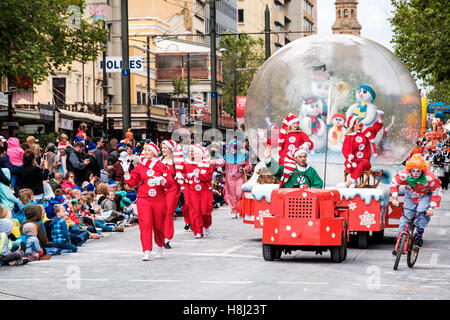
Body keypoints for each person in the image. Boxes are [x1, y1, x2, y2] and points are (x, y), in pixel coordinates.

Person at [124, 142, 173, 261]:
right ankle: (146, 251)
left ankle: (160, 246)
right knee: (145, 224)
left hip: (159, 199)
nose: (145, 152)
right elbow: (132, 183)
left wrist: (161, 180)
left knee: (158, 225)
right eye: (145, 150)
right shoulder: (140, 166)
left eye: (148, 150)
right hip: (144, 198)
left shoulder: (162, 166)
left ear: (155, 153)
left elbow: (169, 183)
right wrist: (126, 172)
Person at [390, 154, 443, 248]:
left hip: (425, 195)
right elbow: (394, 183)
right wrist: (395, 198)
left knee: (421, 212)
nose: (415, 173)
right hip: (410, 194)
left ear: (422, 170)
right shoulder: (404, 174)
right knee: (406, 216)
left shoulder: (430, 177)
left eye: (417, 171)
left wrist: (431, 208)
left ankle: (419, 235)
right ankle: (401, 238)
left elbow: (437, 192)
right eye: (413, 171)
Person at [339, 112, 384, 188]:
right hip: (355, 160)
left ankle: (350, 181)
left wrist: (380, 118)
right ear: (353, 125)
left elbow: (374, 129)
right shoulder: (349, 137)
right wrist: (349, 156)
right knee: (348, 163)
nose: (360, 123)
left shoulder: (365, 133)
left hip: (364, 161)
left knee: (361, 165)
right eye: (358, 122)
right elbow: (346, 148)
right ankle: (354, 180)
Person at [211, 139, 253, 218]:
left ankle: (241, 209)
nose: (232, 150)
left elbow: (249, 166)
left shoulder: (244, 156)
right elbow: (221, 162)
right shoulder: (227, 156)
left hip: (240, 178)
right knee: (231, 194)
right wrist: (212, 162)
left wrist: (244, 169)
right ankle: (234, 210)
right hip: (229, 178)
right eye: (231, 148)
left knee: (239, 193)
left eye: (234, 148)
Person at [182, 144, 214, 238]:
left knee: (205, 211)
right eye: (195, 153)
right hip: (193, 191)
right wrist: (185, 177)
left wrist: (198, 175)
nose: (196, 155)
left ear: (202, 155)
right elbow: (184, 174)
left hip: (205, 191)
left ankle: (206, 225)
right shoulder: (188, 164)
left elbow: (208, 177)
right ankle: (197, 231)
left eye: (198, 153)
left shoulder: (208, 165)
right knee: (195, 211)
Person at [160, 139, 184, 249]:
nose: (163, 150)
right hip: (160, 190)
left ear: (170, 149)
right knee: (160, 214)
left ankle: (167, 237)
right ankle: (161, 235)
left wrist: (180, 176)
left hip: (172, 190)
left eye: (165, 148)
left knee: (169, 212)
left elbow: (183, 172)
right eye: (162, 148)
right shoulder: (159, 161)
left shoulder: (176, 162)